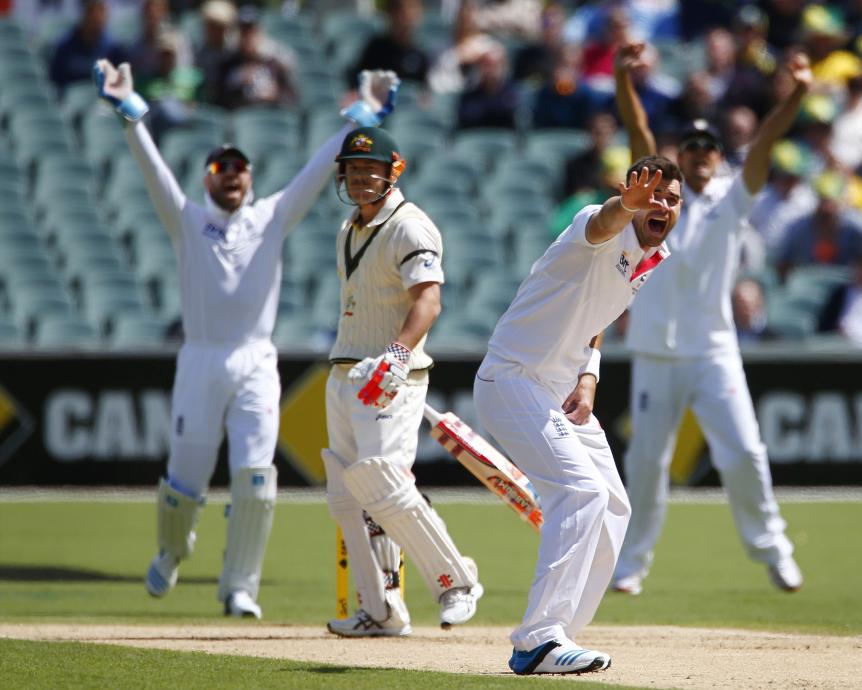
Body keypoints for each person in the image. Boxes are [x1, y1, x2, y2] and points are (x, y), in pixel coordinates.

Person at [93, 58, 400, 619]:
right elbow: (155, 173)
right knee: (185, 478)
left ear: (250, 178)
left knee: (256, 481)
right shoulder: (187, 221)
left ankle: (240, 588)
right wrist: (131, 115)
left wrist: (363, 116)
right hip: (201, 362)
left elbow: (314, 171)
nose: (232, 176)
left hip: (257, 360)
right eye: (221, 168)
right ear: (208, 176)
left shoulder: (271, 216)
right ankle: (172, 549)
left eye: (240, 169)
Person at [611, 41, 812, 597]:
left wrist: (797, 92)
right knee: (648, 463)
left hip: (713, 350)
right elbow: (638, 136)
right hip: (654, 349)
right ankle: (632, 565)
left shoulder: (733, 198)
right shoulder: (656, 199)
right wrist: (625, 80)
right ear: (680, 154)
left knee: (745, 449)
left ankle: (773, 548)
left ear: (720, 157)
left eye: (708, 147)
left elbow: (768, 137)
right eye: (692, 146)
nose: (700, 154)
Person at [475, 158, 683, 674]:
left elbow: (595, 318)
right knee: (582, 492)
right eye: (652, 195)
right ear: (628, 193)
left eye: (672, 200)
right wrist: (622, 207)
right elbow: (604, 223)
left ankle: (559, 633)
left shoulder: (652, 256)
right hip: (512, 378)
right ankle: (537, 640)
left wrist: (588, 378)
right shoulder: (596, 222)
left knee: (614, 506)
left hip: (561, 391)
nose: (662, 206)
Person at [322, 126, 483, 637]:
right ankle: (381, 610)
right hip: (347, 370)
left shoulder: (411, 226)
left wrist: (396, 353)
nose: (361, 177)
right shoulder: (350, 228)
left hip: (392, 376)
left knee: (384, 482)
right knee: (348, 495)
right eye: (353, 168)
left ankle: (456, 582)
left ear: (395, 170)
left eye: (371, 168)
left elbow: (429, 299)